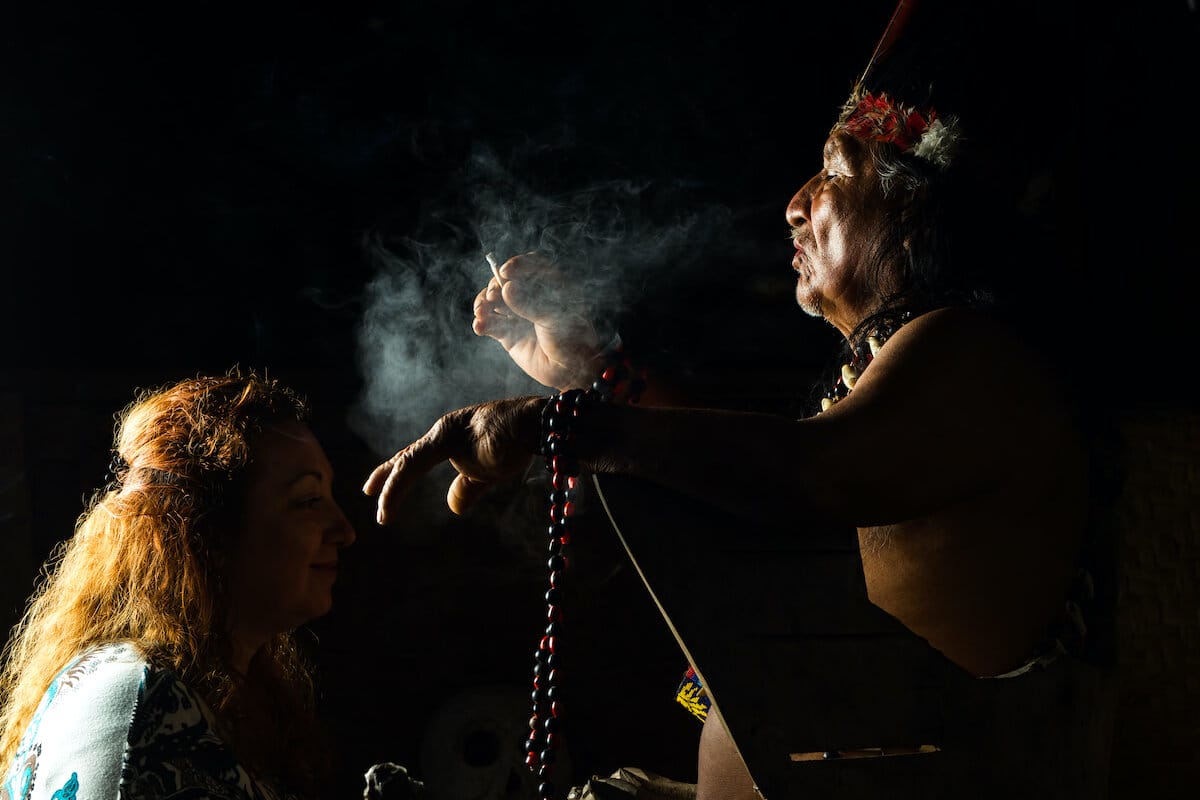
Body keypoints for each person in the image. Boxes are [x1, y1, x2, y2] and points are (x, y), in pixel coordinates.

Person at [362, 1, 1115, 798]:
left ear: (913, 205)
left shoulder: (971, 353)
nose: (796, 201)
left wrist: (555, 424)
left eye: (835, 170)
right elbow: (762, 477)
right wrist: (592, 373)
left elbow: (800, 478)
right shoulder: (917, 368)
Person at [0, 367, 359, 800]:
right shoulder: (140, 703)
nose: (344, 530)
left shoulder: (210, 692)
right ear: (206, 533)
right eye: (307, 501)